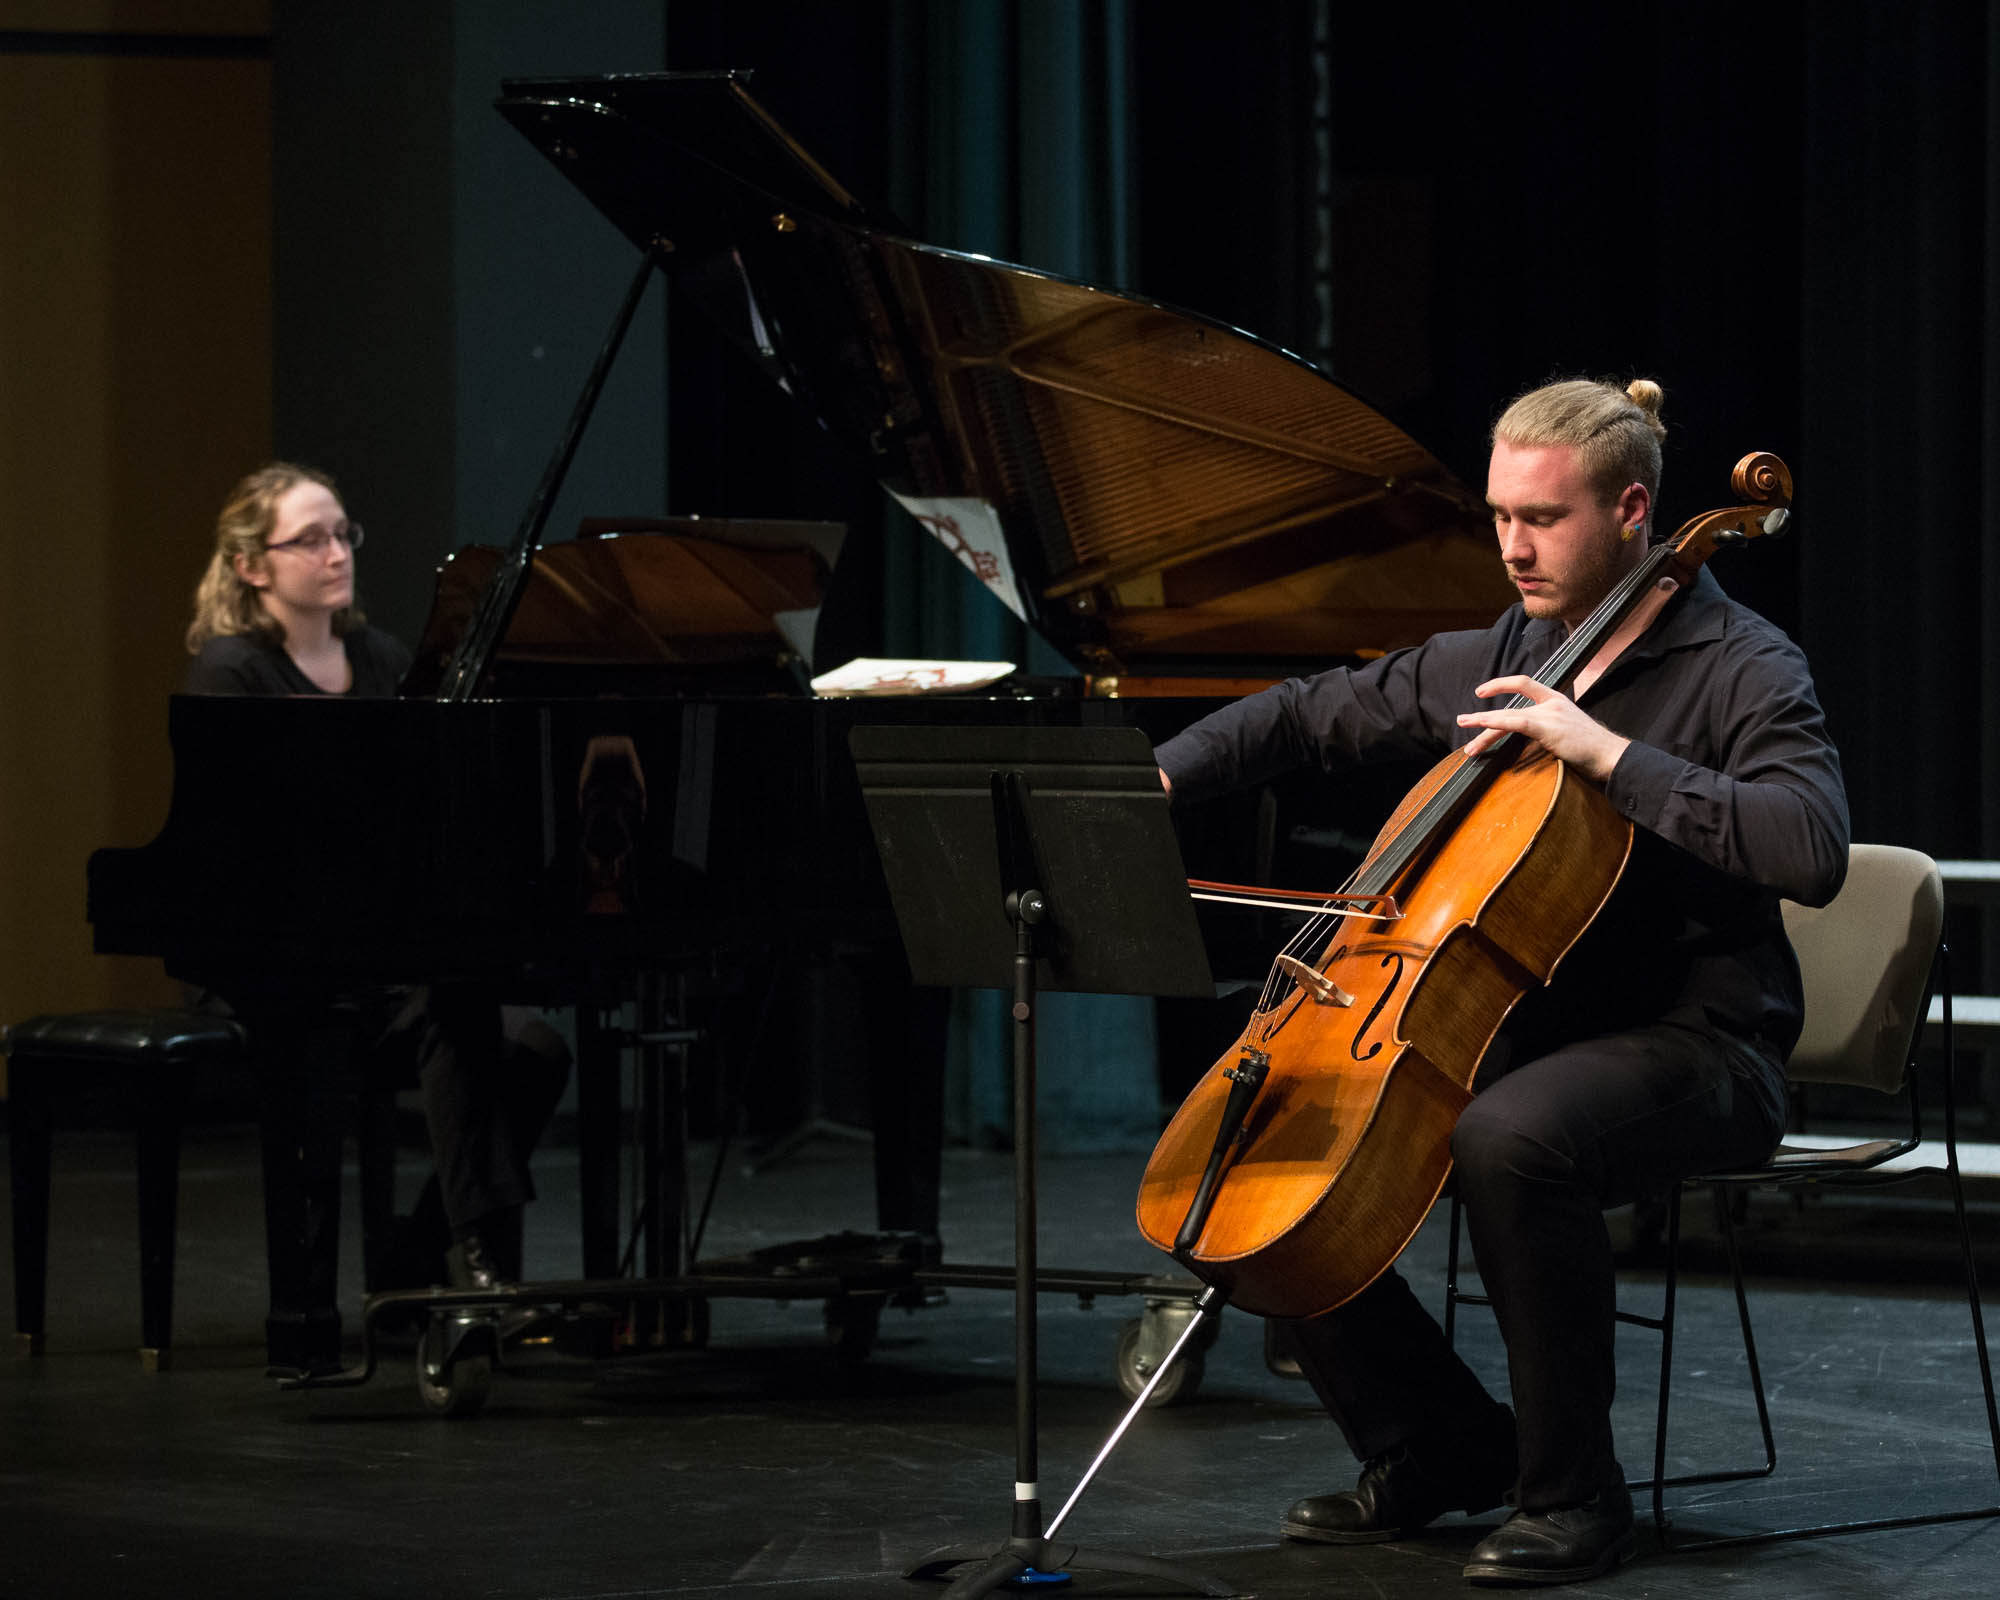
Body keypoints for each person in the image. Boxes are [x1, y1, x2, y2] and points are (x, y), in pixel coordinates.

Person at [1153, 377, 1848, 1586]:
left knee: (1509, 1136)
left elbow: (1811, 847)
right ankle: (1434, 1445)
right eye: (1498, 516)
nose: (1512, 547)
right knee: (1254, 1110)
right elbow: (1312, 712)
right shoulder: (1509, 651)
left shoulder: (1741, 664)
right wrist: (1158, 778)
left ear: (1632, 509)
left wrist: (1608, 755)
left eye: (1543, 517)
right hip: (1533, 1024)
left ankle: (1573, 1497)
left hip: (1698, 1038)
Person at [185, 462, 568, 1350]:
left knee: (536, 1046)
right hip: (276, 971)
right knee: (457, 1007)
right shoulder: (231, 671)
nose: (334, 553)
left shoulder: (386, 659)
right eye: (309, 539)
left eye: (343, 534)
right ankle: (477, 1270)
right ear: (251, 566)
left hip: (381, 964)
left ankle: (414, 1260)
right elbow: (237, 844)